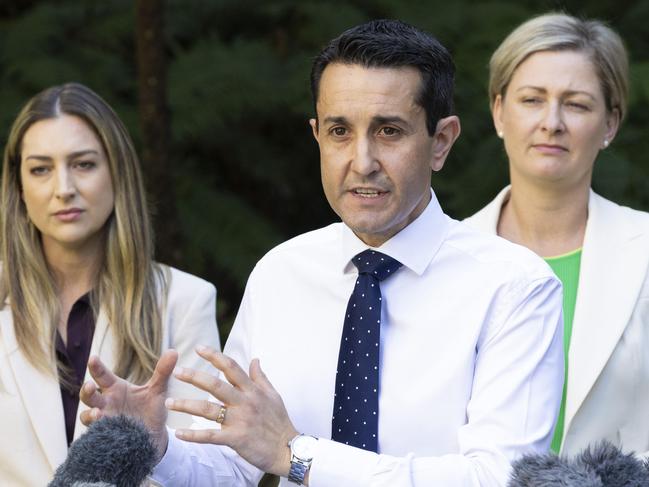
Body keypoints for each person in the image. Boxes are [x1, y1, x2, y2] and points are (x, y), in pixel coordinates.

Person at [81, 20, 564, 486]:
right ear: (317, 136)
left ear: (441, 142)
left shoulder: (514, 286)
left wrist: (298, 454)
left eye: (389, 131)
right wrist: (154, 444)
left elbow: (500, 478)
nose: (362, 161)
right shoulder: (280, 274)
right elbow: (233, 468)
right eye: (339, 132)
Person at [0, 83, 221, 485]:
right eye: (40, 169)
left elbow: (206, 475)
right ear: (18, 186)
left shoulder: (184, 302)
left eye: (83, 164)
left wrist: (152, 446)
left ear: (117, 173)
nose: (63, 188)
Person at [464, 13, 649, 456]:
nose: (552, 122)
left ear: (610, 124)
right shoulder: (443, 256)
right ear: (498, 111)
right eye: (531, 99)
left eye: (578, 104)